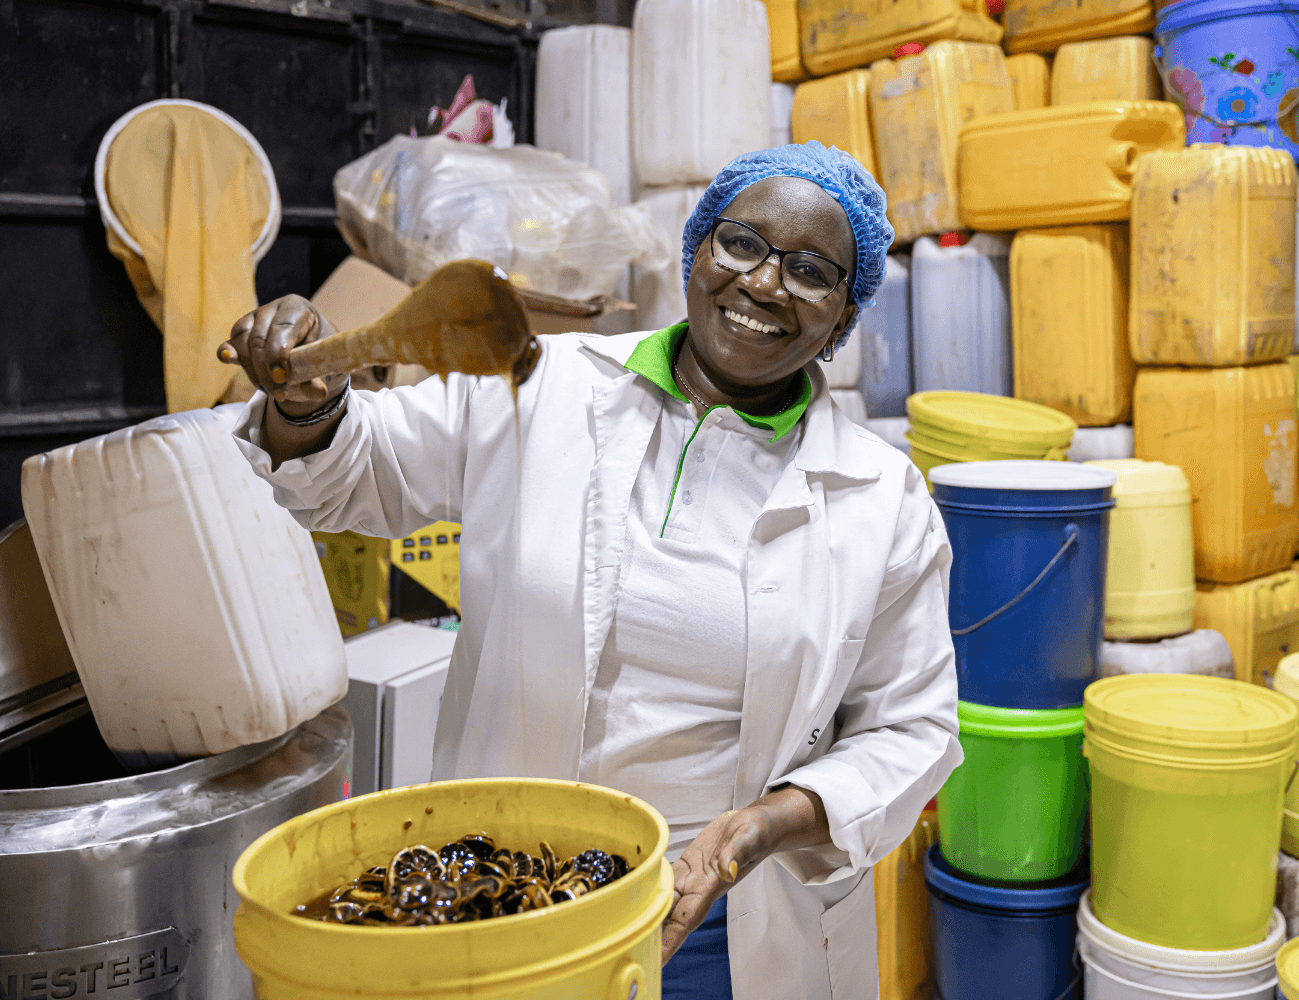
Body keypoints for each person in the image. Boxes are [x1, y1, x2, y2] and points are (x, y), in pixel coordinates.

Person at [222, 142, 961, 999]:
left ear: (843, 317)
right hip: (500, 892)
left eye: (810, 270)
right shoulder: (541, 386)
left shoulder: (880, 499)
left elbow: (913, 730)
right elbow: (354, 473)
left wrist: (762, 827)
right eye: (742, 244)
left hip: (715, 924)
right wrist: (305, 402)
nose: (762, 284)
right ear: (696, 252)